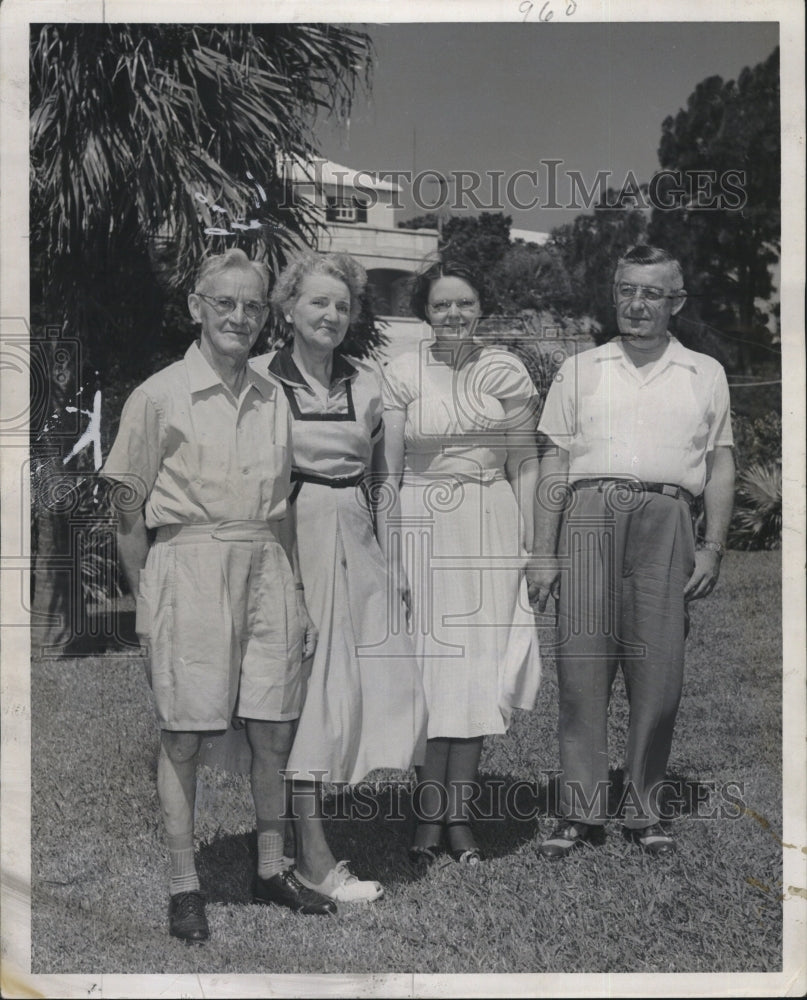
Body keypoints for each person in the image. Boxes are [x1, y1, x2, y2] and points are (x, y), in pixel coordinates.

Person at [103, 248, 339, 944]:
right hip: (189, 563)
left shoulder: (274, 396)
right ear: (196, 308)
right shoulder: (159, 394)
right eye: (225, 303)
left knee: (273, 730)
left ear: (266, 316)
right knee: (183, 737)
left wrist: (294, 591)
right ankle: (184, 887)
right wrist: (149, 600)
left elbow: (284, 508)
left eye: (252, 306)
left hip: (266, 564)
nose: (239, 316)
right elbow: (125, 507)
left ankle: (270, 869)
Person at [532, 244, 735, 859]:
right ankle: (579, 812)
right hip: (589, 517)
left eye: (652, 292)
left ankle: (645, 808)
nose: (637, 303)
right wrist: (544, 551)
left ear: (676, 302)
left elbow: (721, 462)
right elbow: (555, 460)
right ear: (614, 293)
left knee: (659, 676)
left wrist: (712, 546)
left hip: (667, 517)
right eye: (627, 290)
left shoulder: (705, 372)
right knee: (582, 671)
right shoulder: (582, 368)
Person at [249, 249, 427, 901]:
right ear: (289, 309)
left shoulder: (369, 384)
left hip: (356, 543)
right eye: (317, 301)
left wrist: (392, 566)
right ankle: (313, 861)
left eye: (341, 305)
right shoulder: (258, 381)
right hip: (289, 545)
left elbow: (383, 483)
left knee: (363, 689)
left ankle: (300, 844)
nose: (330, 314)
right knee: (301, 700)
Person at [379, 256, 542, 866]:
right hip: (423, 523)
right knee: (428, 673)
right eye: (442, 304)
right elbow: (389, 470)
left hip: (490, 524)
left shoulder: (507, 370)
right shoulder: (399, 372)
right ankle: (425, 822)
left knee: (475, 671)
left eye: (465, 304)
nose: (454, 314)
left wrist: (529, 545)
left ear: (481, 309)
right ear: (425, 311)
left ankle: (461, 820)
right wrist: (389, 547)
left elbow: (525, 463)